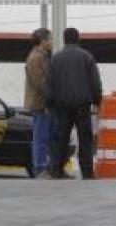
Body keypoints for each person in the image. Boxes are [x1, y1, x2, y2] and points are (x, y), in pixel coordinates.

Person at [48, 27, 102, 180]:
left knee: (61, 138)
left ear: (64, 39)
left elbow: (50, 83)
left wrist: (50, 102)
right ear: (78, 39)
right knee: (85, 138)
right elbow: (95, 82)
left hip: (62, 105)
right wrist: (97, 100)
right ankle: (87, 172)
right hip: (82, 104)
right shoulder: (87, 57)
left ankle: (57, 169)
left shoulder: (56, 58)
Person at [24, 28, 53, 178]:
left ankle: (44, 166)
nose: (52, 43)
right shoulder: (36, 57)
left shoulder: (43, 56)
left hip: (42, 102)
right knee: (40, 137)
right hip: (40, 103)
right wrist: (51, 97)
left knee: (44, 136)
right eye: (50, 39)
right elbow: (39, 82)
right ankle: (39, 167)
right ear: (43, 41)